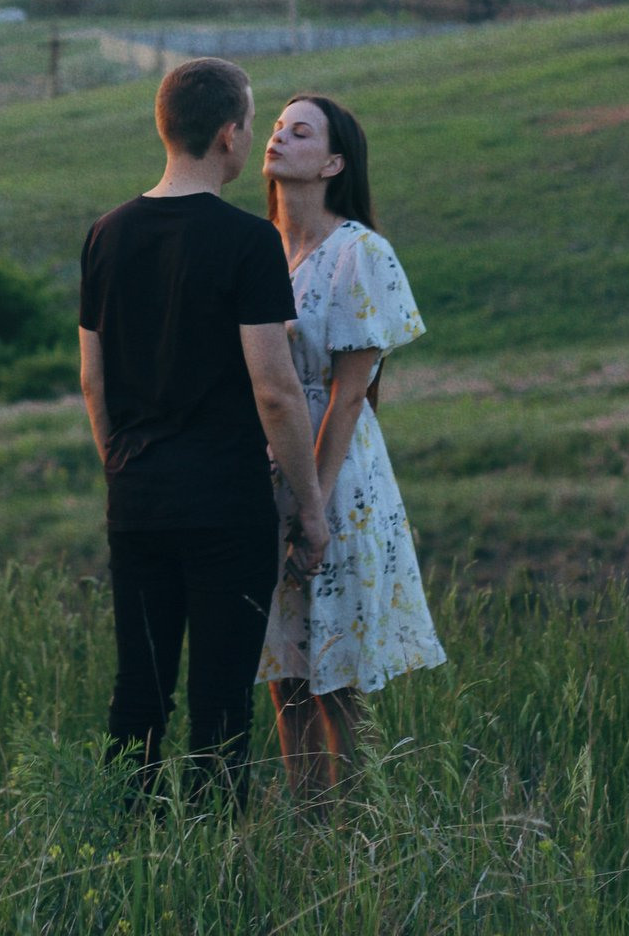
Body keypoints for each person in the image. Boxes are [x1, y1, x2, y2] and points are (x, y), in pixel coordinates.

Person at [79, 58, 328, 808]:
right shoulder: (248, 242)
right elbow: (276, 390)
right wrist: (310, 509)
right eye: (251, 124)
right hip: (225, 503)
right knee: (220, 703)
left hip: (138, 494)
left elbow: (93, 379)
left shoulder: (107, 234)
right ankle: (209, 869)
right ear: (228, 136)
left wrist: (122, 463)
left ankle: (124, 850)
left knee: (140, 692)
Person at [258, 93, 445, 800]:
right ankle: (304, 825)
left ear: (333, 162)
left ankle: (362, 831)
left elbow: (349, 393)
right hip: (269, 456)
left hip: (333, 468)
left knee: (338, 673)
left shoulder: (359, 251)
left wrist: (317, 504)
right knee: (285, 673)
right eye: (275, 127)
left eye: (299, 132)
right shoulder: (259, 247)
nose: (279, 138)